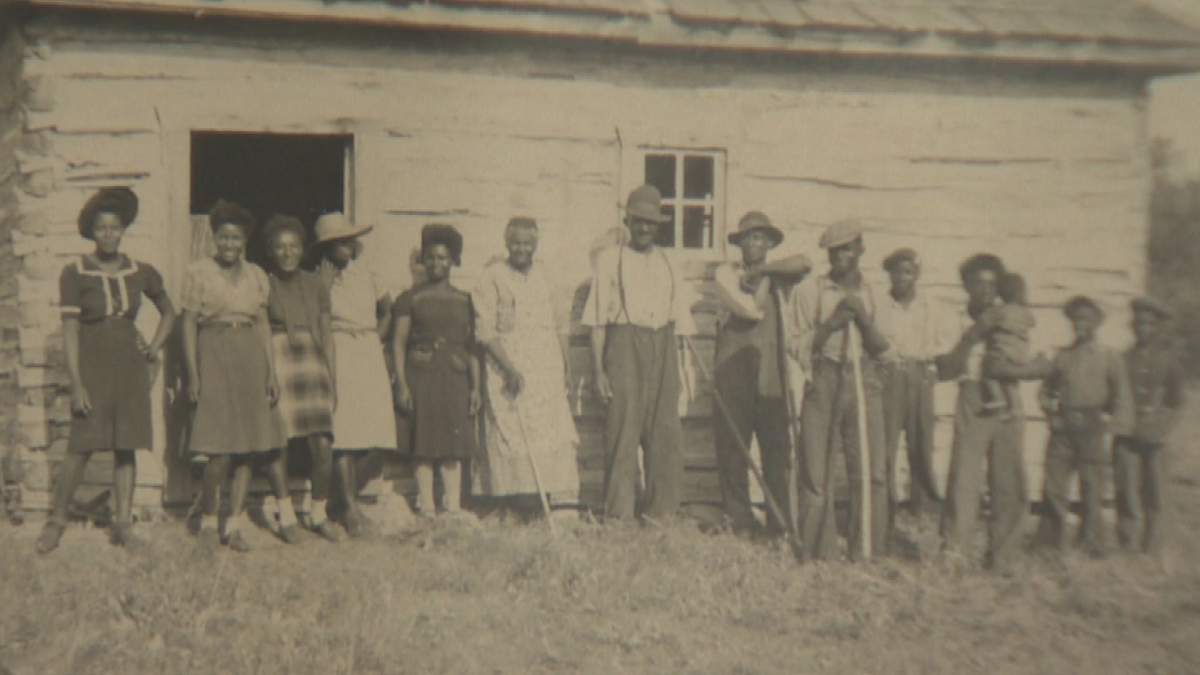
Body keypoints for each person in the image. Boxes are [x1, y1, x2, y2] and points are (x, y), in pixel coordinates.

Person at [36, 187, 177, 553]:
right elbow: (70, 332)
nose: (109, 235)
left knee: (125, 445)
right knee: (80, 447)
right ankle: (56, 521)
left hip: (130, 369)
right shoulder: (75, 273)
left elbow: (170, 312)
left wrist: (153, 350)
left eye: (115, 228)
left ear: (123, 230)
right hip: (94, 368)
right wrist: (77, 382)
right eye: (102, 229)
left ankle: (123, 523)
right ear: (92, 232)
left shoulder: (140, 272)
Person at [582, 185, 695, 521]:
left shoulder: (669, 261)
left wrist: (686, 375)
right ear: (627, 220)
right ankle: (619, 518)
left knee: (665, 434)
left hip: (664, 346)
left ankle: (662, 515)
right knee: (623, 431)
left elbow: (682, 325)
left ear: (659, 225)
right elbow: (597, 321)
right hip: (623, 347)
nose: (645, 228)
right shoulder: (609, 260)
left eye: (651, 222)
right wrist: (600, 372)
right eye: (639, 221)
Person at [181, 200, 286, 552]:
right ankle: (209, 521)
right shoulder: (198, 272)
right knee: (219, 451)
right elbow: (188, 324)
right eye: (223, 237)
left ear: (244, 241)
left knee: (248, 449)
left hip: (250, 357)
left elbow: (262, 324)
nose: (229, 245)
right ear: (214, 238)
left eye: (236, 238)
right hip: (213, 351)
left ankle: (234, 524)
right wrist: (193, 374)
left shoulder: (256, 275)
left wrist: (271, 373)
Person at [935, 254, 1051, 571]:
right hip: (973, 396)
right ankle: (954, 552)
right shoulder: (956, 318)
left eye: (991, 283)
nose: (984, 290)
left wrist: (1007, 367)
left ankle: (1005, 556)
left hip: (1007, 397)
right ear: (966, 286)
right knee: (964, 477)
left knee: (1008, 476)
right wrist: (971, 337)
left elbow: (1036, 362)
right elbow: (944, 369)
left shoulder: (1013, 317)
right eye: (977, 283)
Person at [789, 220, 891, 561]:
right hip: (824, 377)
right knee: (816, 471)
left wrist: (861, 318)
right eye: (834, 251)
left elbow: (886, 350)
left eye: (847, 248)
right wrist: (830, 324)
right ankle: (819, 553)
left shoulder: (875, 294)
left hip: (865, 378)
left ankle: (867, 551)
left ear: (861, 249)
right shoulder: (809, 291)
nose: (840, 257)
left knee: (870, 470)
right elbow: (796, 345)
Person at [712, 211, 810, 535]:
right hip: (732, 371)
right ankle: (738, 521)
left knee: (776, 447)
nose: (755, 244)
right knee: (733, 448)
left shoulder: (778, 274)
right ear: (739, 244)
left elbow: (805, 263)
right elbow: (750, 310)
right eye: (749, 238)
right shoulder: (726, 273)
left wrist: (765, 271)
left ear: (769, 244)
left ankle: (779, 524)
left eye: (760, 238)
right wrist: (763, 277)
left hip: (770, 373)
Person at [472, 217, 580, 512]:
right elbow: (486, 332)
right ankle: (508, 502)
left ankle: (539, 500)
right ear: (507, 243)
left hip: (545, 366)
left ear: (536, 245)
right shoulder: (492, 277)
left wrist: (566, 365)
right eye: (516, 243)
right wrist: (508, 368)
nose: (522, 249)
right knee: (510, 431)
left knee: (546, 430)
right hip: (507, 366)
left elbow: (561, 325)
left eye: (527, 243)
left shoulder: (547, 276)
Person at [314, 212, 395, 536]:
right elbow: (314, 316)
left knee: (377, 435)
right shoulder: (320, 277)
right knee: (344, 434)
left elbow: (387, 310)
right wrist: (321, 287)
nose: (347, 246)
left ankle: (337, 499)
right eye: (339, 242)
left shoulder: (368, 272)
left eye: (349, 239)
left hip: (368, 348)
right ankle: (348, 508)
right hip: (339, 348)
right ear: (327, 247)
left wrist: (377, 337)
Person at [392, 224, 480, 518]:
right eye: (430, 258)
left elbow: (472, 347)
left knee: (453, 444)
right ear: (423, 261)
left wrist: (475, 387)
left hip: (455, 376)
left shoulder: (466, 300)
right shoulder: (410, 298)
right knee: (424, 442)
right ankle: (426, 504)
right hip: (422, 374)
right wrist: (401, 384)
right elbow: (398, 342)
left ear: (453, 260)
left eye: (443, 258)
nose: (436, 264)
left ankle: (452, 505)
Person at [263, 215, 341, 543]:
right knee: (279, 441)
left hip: (311, 359)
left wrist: (332, 377)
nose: (287, 253)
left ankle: (318, 512)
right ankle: (286, 514)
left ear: (302, 249)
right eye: (280, 247)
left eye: (293, 246)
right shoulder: (263, 283)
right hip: (278, 357)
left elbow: (325, 331)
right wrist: (268, 373)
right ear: (271, 251)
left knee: (322, 444)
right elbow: (261, 331)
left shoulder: (316, 283)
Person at [1036, 295, 1133, 557]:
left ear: (1097, 324)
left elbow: (1121, 395)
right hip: (1064, 427)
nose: (1080, 324)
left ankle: (1091, 543)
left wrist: (1110, 424)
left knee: (1092, 487)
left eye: (1086, 319)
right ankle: (1050, 543)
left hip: (1092, 427)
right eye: (1076, 319)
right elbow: (1045, 391)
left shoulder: (1109, 357)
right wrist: (1051, 415)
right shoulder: (1063, 357)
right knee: (1054, 485)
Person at [876, 247, 954, 518]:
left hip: (920, 375)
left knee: (921, 443)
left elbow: (944, 341)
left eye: (908, 272)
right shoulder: (880, 306)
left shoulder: (930, 306)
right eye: (896, 272)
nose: (902, 278)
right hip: (891, 375)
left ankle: (922, 508)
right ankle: (885, 506)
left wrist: (932, 368)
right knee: (885, 444)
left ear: (916, 274)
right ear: (890, 275)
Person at [1114, 296, 1184, 555]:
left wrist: (1161, 427)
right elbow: (1114, 395)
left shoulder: (1168, 359)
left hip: (1155, 436)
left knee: (1155, 494)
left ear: (1157, 328)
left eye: (1149, 325)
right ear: (1133, 326)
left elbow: (1176, 402)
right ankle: (1128, 545)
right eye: (1139, 324)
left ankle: (1153, 548)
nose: (1143, 329)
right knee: (1127, 491)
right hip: (1127, 435)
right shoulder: (1123, 358)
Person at [980, 272, 1037, 415]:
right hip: (1021, 354)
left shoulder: (998, 311)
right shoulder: (1025, 312)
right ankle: (1014, 407)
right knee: (1009, 380)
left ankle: (997, 398)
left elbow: (983, 322)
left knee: (988, 371)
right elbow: (1032, 322)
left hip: (1003, 352)